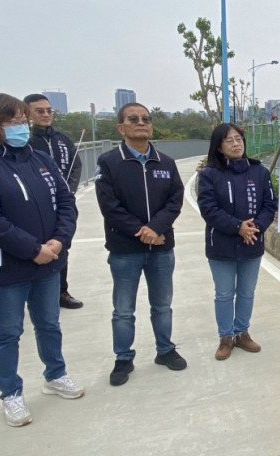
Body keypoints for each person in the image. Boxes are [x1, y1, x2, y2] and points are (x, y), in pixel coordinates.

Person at [0, 93, 84, 427]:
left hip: (48, 261)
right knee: (8, 333)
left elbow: (65, 203)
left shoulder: (40, 159)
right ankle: (10, 394)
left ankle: (55, 375)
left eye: (22, 121)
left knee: (48, 324)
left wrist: (58, 240)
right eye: (12, 122)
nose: (21, 127)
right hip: (5, 267)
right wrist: (33, 249)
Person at [95, 102, 186, 386]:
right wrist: (141, 231)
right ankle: (123, 358)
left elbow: (175, 200)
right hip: (125, 250)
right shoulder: (109, 162)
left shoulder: (166, 163)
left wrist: (157, 229)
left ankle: (165, 350)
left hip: (161, 247)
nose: (141, 122)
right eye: (133, 119)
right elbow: (109, 206)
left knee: (162, 305)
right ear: (121, 127)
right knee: (123, 309)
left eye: (146, 118)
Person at [198, 123, 277, 360]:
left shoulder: (259, 172)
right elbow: (208, 209)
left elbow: (269, 205)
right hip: (221, 245)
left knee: (247, 292)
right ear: (219, 147)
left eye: (238, 139)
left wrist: (254, 228)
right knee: (224, 293)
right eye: (229, 140)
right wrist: (237, 227)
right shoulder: (209, 174)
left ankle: (242, 333)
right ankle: (226, 337)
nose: (236, 143)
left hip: (252, 243)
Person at [24, 94, 84, 310]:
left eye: (49, 110)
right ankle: (32, 292)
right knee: (34, 246)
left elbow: (76, 165)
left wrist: (70, 190)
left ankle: (61, 291)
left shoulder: (61, 138)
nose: (45, 114)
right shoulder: (26, 140)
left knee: (62, 245)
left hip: (62, 202)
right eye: (39, 110)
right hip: (34, 205)